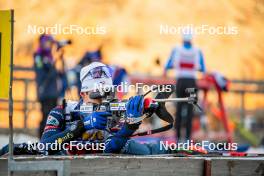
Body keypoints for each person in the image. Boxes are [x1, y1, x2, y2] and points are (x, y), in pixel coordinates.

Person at [39, 62, 167, 155]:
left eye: (107, 95)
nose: (103, 102)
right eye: (97, 96)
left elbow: (111, 147)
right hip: (67, 168)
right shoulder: (62, 112)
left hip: (103, 167)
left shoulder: (115, 112)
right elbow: (44, 147)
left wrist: (130, 126)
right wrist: (83, 125)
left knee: (148, 151)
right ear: (83, 94)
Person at [163, 33, 206, 142]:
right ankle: (187, 138)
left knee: (179, 108)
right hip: (191, 81)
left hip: (181, 81)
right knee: (190, 110)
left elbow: (167, 66)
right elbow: (202, 69)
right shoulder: (197, 50)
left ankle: (177, 138)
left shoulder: (176, 49)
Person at [34, 34, 60, 138]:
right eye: (47, 42)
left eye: (51, 43)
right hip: (45, 92)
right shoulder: (38, 56)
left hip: (53, 92)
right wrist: (52, 65)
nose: (49, 45)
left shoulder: (50, 56)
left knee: (55, 116)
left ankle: (51, 137)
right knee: (46, 116)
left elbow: (58, 73)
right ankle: (42, 138)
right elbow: (42, 73)